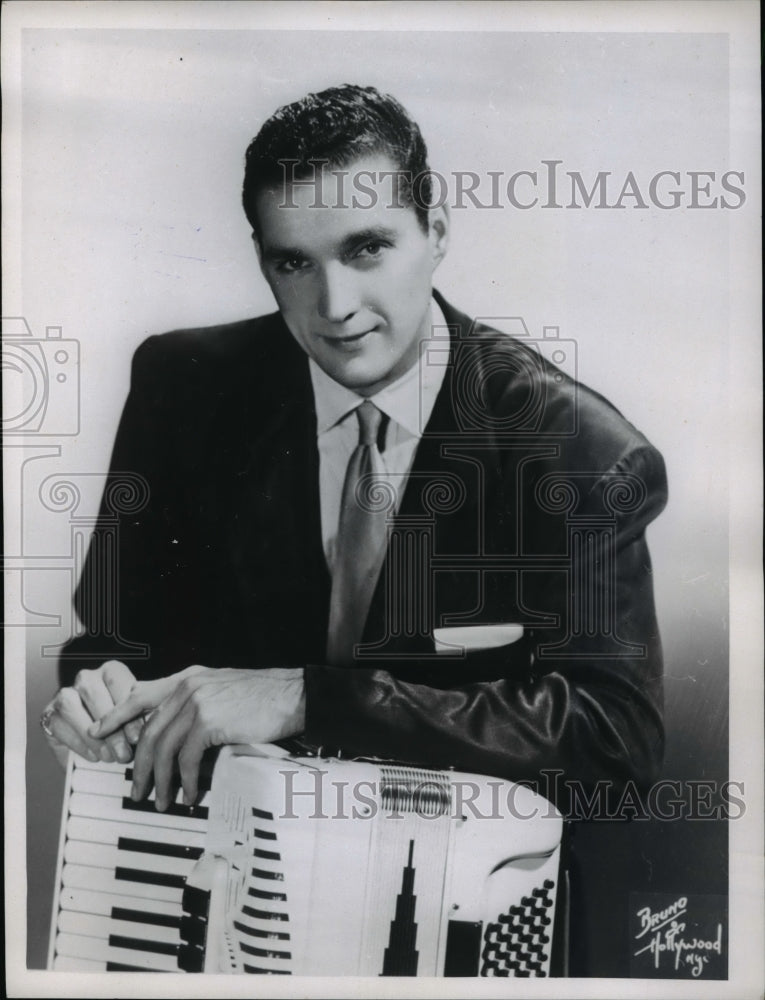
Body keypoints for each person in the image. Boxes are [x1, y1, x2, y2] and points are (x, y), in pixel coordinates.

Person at [42, 85, 668, 824]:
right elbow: (112, 639)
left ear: (435, 229)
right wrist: (94, 700)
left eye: (366, 248)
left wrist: (305, 696)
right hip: (214, 871)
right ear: (261, 259)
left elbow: (615, 743)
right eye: (294, 264)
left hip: (459, 903)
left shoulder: (581, 450)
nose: (335, 305)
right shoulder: (180, 387)